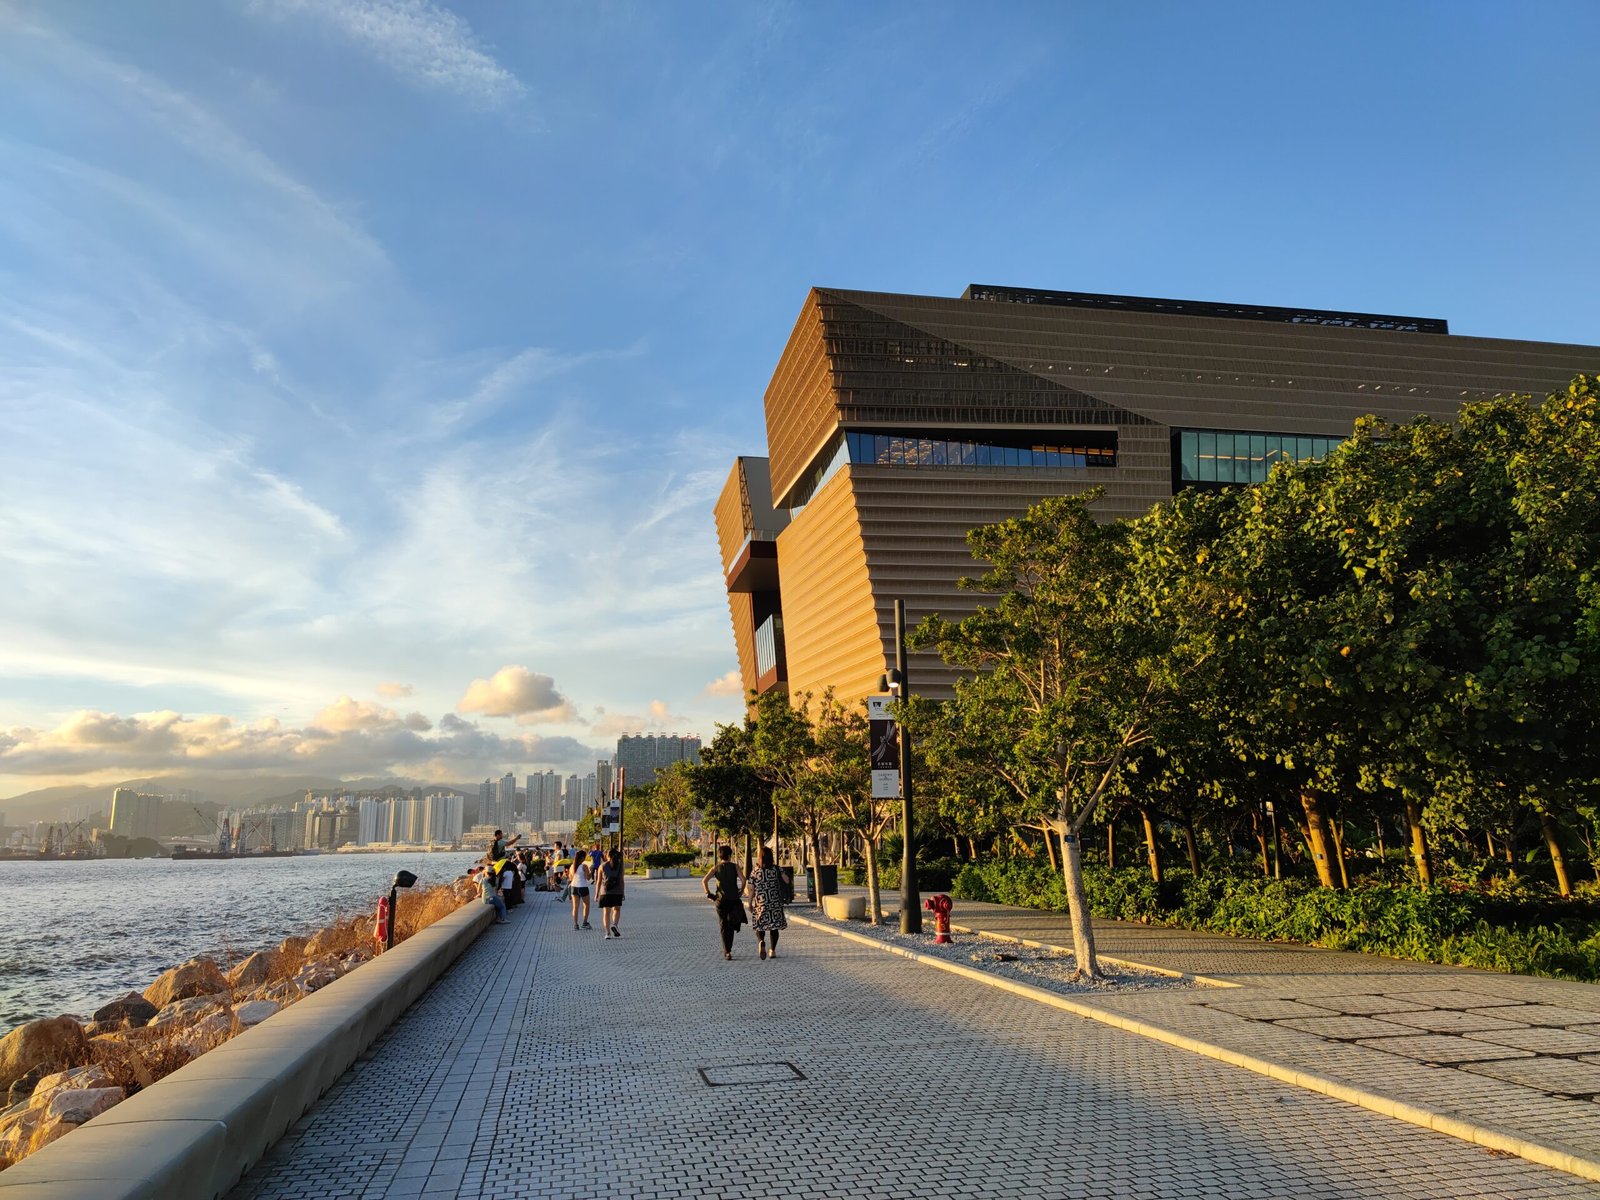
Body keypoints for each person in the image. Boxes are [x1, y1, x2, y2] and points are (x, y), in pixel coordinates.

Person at [702, 845, 746, 960]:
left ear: (720, 855)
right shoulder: (735, 867)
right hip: (733, 900)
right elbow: (743, 879)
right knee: (731, 925)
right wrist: (741, 891)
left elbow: (704, 880)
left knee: (723, 925)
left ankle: (726, 951)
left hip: (720, 901)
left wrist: (708, 894)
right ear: (730, 855)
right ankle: (729, 949)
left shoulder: (716, 868)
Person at [745, 845, 788, 960]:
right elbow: (787, 880)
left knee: (760, 925)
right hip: (774, 902)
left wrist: (749, 903)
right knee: (774, 927)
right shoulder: (776, 868)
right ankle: (772, 951)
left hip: (761, 902)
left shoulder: (755, 871)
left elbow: (751, 889)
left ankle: (761, 941)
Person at [596, 848, 625, 938]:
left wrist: (596, 894)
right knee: (617, 909)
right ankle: (615, 925)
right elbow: (621, 880)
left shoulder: (602, 866)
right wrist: (623, 892)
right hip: (617, 891)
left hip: (605, 892)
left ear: (607, 855)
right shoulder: (620, 865)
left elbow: (599, 881)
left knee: (606, 912)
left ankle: (607, 933)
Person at [478, 857, 508, 924]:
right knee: (502, 906)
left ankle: (499, 918)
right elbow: (496, 889)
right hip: (492, 898)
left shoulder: (483, 879)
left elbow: (478, 891)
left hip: (485, 899)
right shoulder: (496, 879)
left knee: (498, 905)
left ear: (487, 872)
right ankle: (503, 919)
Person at [570, 852, 594, 930]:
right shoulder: (584, 866)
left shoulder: (572, 866)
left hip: (574, 887)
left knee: (575, 907)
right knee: (586, 905)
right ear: (582, 858)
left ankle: (575, 924)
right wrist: (591, 870)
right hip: (583, 887)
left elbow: (570, 878)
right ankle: (584, 923)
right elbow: (588, 878)